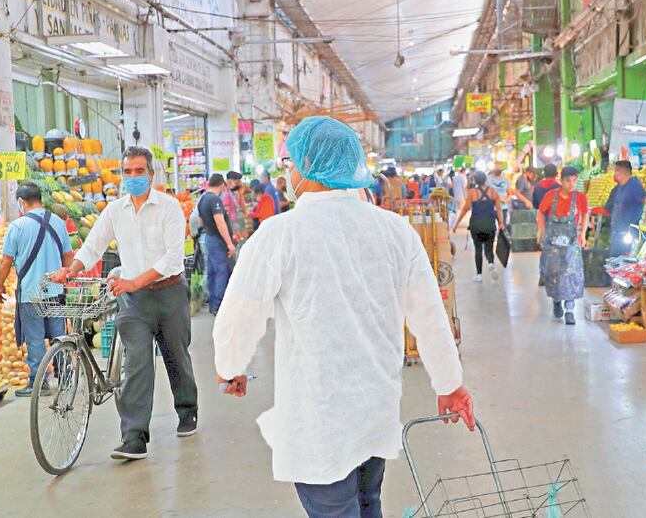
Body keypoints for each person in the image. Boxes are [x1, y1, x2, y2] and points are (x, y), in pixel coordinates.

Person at [213, 116, 473, 518]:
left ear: (308, 167)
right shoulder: (396, 232)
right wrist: (450, 383)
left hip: (322, 416)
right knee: (369, 503)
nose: (288, 174)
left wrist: (231, 367)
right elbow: (429, 315)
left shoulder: (279, 235)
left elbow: (239, 314)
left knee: (335, 510)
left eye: (290, 164)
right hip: (375, 405)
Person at [57, 146, 198, 459]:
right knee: (136, 363)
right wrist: (72, 269)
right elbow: (93, 245)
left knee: (176, 354)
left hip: (169, 293)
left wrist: (135, 280)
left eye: (139, 171)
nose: (133, 177)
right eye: (128, 172)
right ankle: (134, 436)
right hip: (134, 302)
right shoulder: (114, 210)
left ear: (151, 174)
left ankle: (187, 409)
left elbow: (174, 256)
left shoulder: (169, 207)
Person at [0, 181, 74, 397]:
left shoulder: (18, 226)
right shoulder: (58, 222)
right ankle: (66, 376)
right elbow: (69, 257)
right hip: (56, 292)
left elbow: (6, 261)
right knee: (59, 335)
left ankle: (38, 383)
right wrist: (66, 275)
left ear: (21, 202)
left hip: (31, 293)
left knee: (35, 339)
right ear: (40, 199)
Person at [537, 166, 589, 325]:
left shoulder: (580, 197)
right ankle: (556, 301)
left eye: (574, 180)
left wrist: (583, 234)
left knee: (571, 273)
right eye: (568, 181)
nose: (571, 184)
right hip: (552, 243)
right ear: (561, 181)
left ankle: (570, 310)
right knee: (553, 274)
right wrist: (543, 231)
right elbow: (540, 213)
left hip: (571, 241)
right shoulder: (550, 196)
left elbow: (586, 213)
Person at [451, 171, 505, 283]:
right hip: (490, 224)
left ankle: (479, 275)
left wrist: (456, 224)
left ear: (475, 180)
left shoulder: (472, 193)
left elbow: (465, 210)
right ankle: (491, 263)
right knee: (489, 248)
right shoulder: (493, 191)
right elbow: (499, 209)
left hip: (476, 225)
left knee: (478, 249)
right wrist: (501, 223)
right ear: (485, 179)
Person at [198, 173, 237, 315]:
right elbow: (220, 222)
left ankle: (213, 303)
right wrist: (229, 243)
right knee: (221, 271)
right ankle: (220, 305)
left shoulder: (202, 199)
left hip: (209, 237)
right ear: (222, 185)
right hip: (218, 239)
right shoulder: (214, 199)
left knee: (212, 271)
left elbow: (200, 221)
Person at [604, 160, 646, 258]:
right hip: (617, 233)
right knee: (614, 262)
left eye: (617, 170)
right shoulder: (619, 187)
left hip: (629, 234)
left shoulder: (634, 185)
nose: (614, 173)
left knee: (625, 263)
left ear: (624, 172)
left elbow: (645, 201)